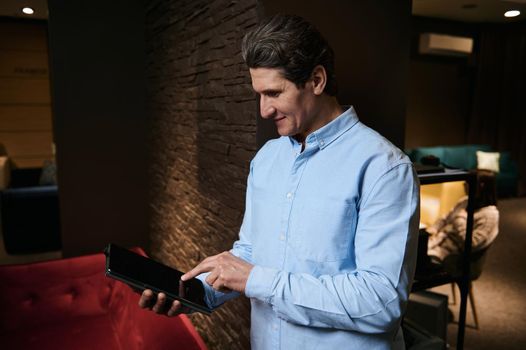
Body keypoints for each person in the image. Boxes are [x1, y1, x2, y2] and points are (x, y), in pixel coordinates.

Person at [139, 14, 420, 349]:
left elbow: (380, 302)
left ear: (316, 80)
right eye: (259, 94)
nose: (264, 110)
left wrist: (257, 280)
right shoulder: (268, 158)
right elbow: (254, 250)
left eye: (273, 93)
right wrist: (197, 293)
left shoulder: (384, 168)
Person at [427, 170, 499, 265]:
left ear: (481, 186)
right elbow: (445, 218)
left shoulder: (489, 216)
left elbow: (471, 245)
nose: (464, 184)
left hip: (451, 256)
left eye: (469, 182)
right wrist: (433, 229)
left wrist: (459, 220)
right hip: (436, 242)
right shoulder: (465, 201)